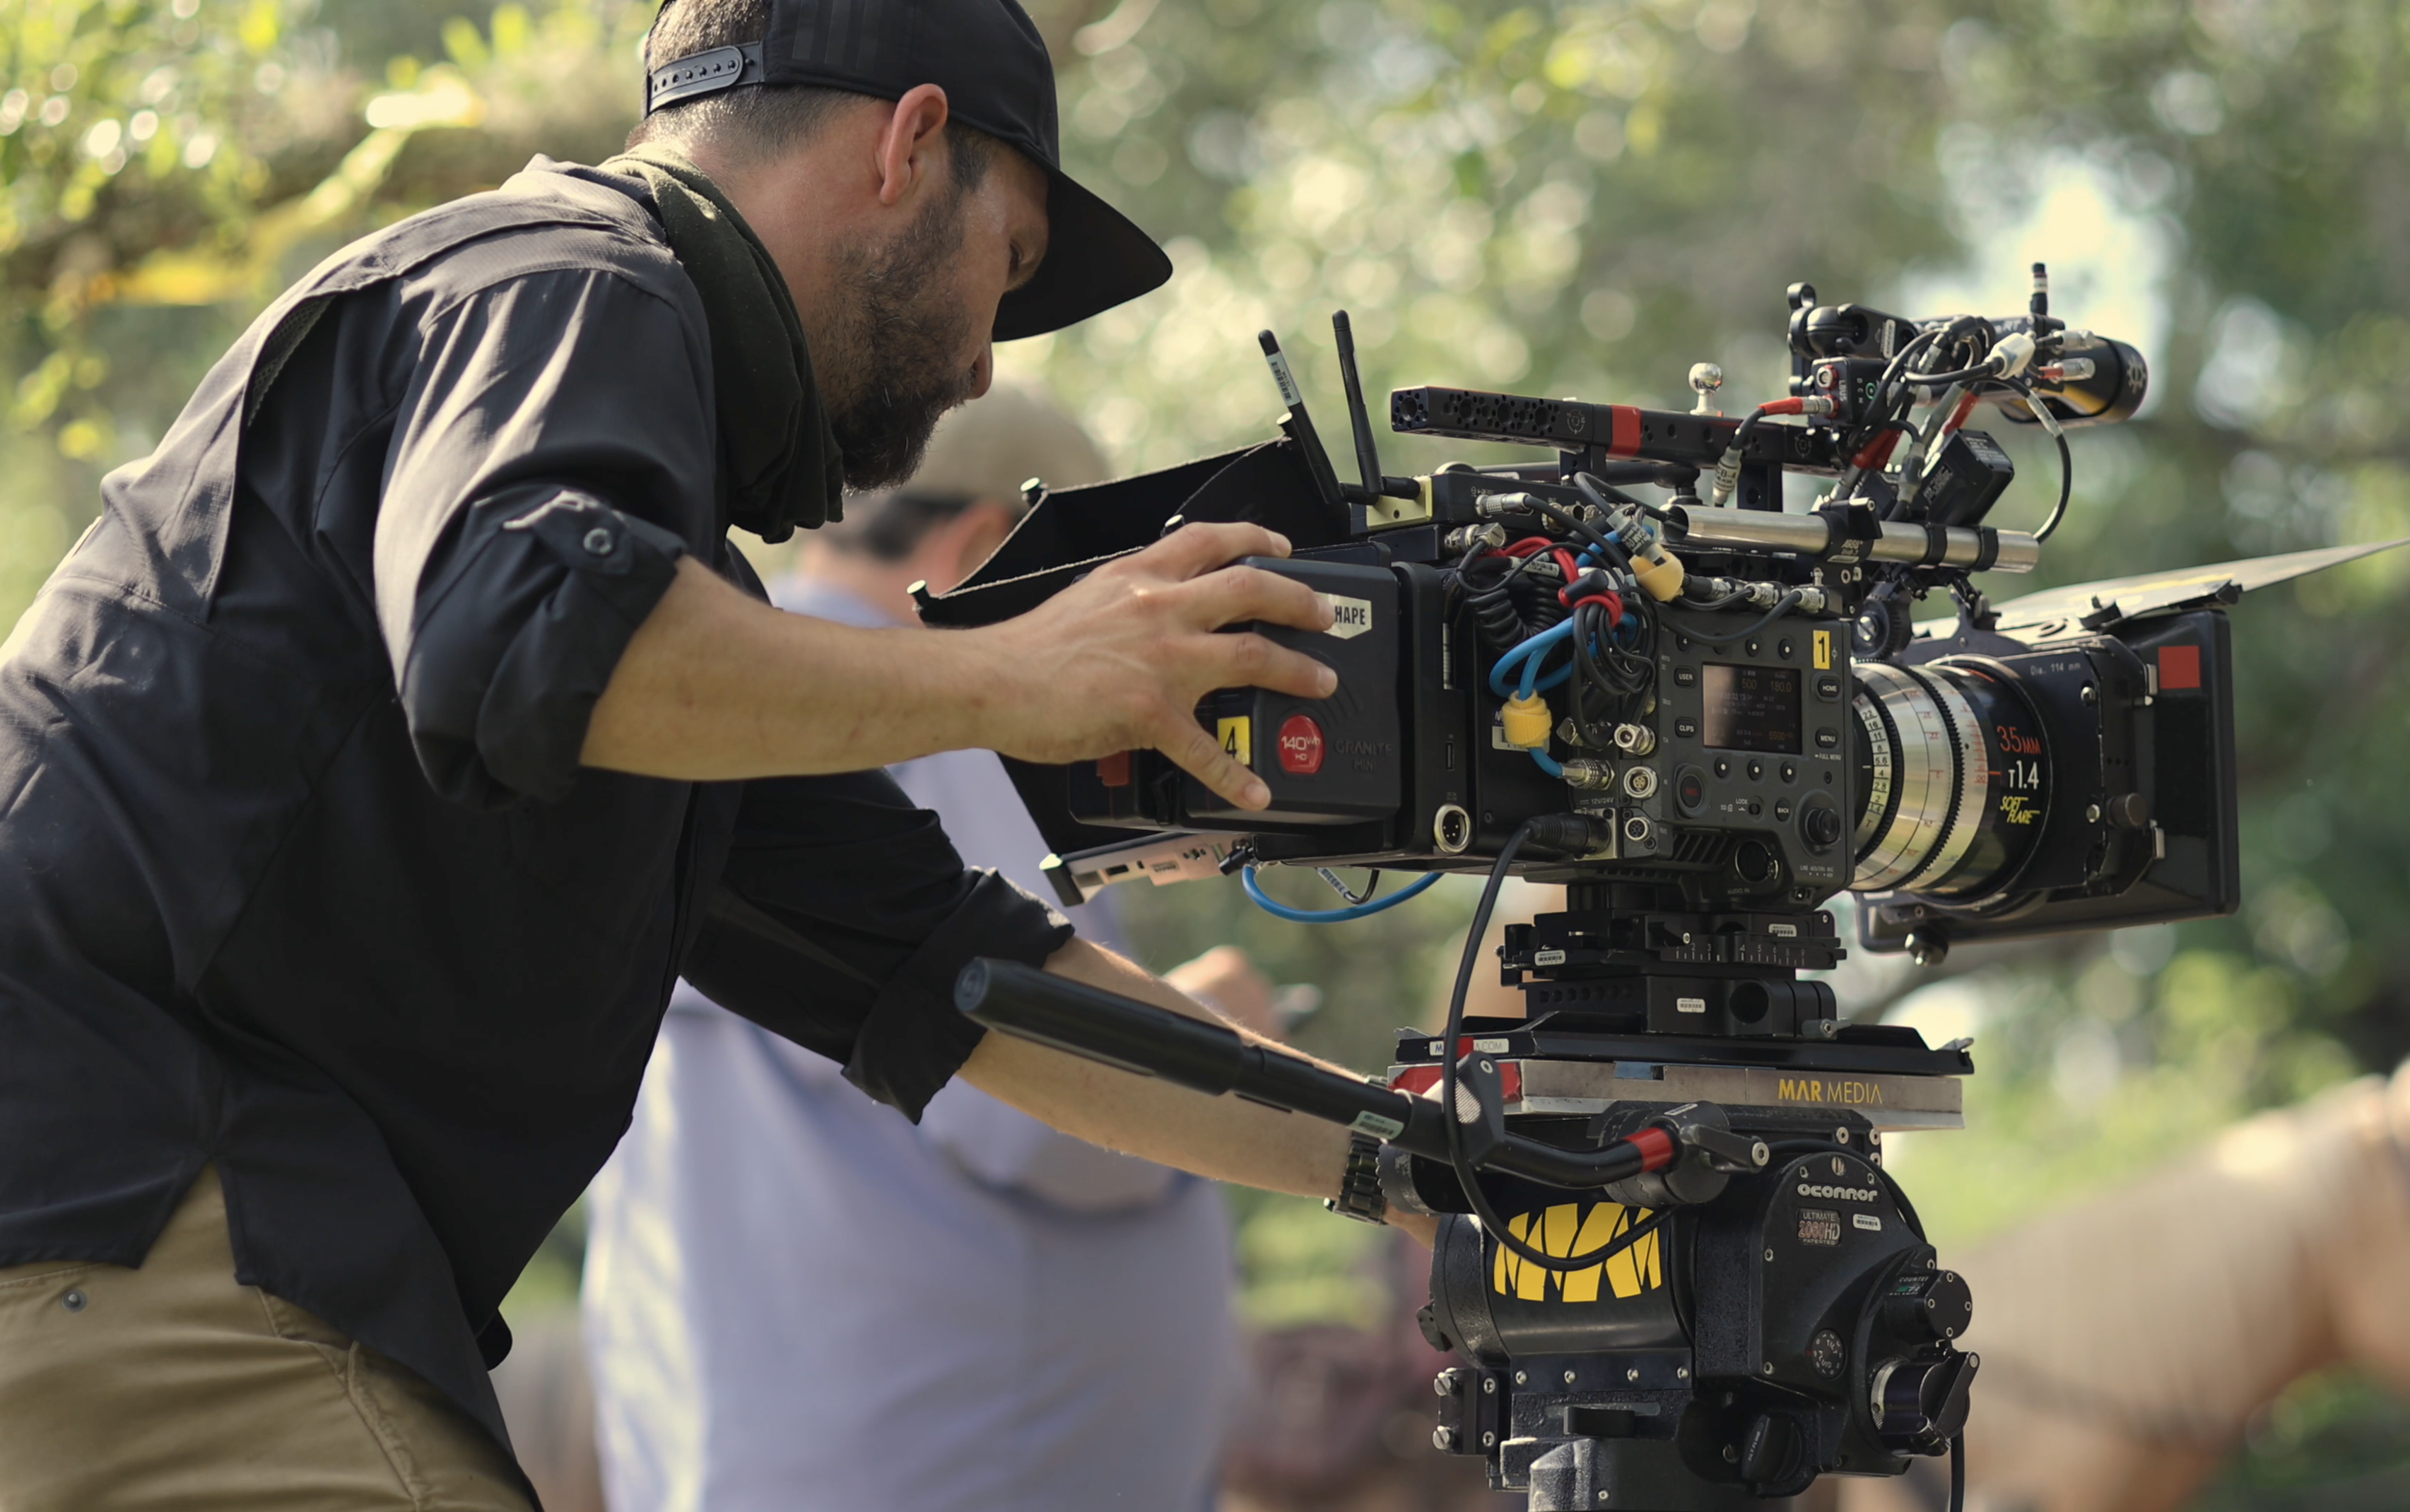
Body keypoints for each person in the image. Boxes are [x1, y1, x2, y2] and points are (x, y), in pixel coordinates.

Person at [0, 0, 1420, 1506]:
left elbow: (962, 979)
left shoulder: (694, 641)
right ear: (909, 143)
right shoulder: (565, 277)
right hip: (135, 1199)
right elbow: (531, 641)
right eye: (1002, 268)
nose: (987, 371)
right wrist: (1017, 674)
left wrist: (1416, 1158)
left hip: (160, 1230)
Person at [580, 386, 1254, 1512]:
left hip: (759, 1438)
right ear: (987, 545)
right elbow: (1054, 1122)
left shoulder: (729, 692)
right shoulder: (933, 719)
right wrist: (1225, 1039)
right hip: (951, 1457)